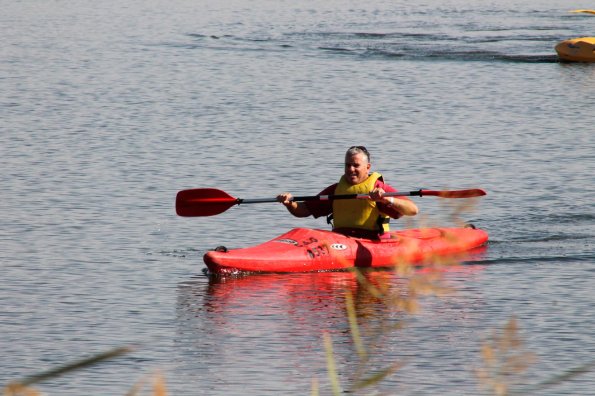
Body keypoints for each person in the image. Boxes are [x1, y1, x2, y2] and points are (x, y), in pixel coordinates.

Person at [277, 146, 418, 239]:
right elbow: (304, 210)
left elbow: (413, 210)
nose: (351, 169)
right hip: (340, 241)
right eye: (347, 165)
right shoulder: (336, 190)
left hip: (372, 241)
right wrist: (290, 203)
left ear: (367, 167)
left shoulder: (378, 187)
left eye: (356, 165)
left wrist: (387, 200)